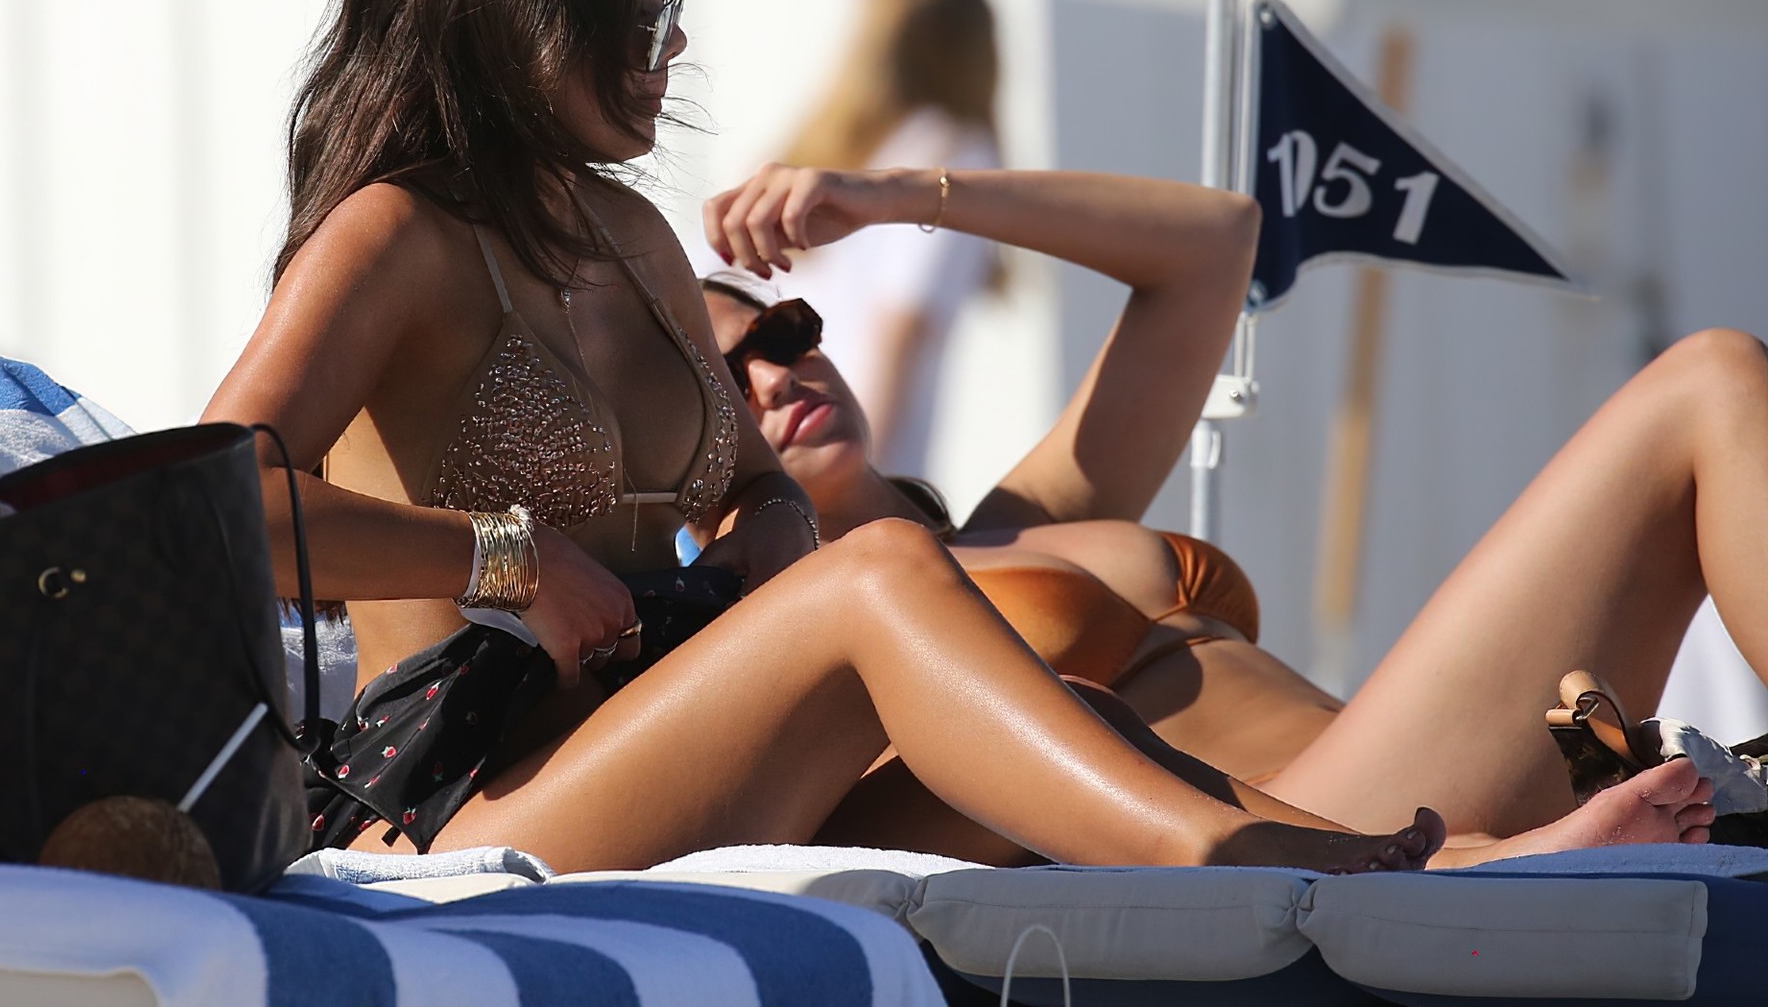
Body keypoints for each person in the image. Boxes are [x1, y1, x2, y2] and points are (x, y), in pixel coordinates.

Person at [199, 0, 1454, 876]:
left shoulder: (632, 237)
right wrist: (507, 556)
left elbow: (753, 484)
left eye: (668, 6)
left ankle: (1403, 864)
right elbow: (212, 505)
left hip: (661, 750)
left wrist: (776, 524)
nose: (672, 45)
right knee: (885, 573)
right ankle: (1247, 865)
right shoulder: (395, 236)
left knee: (1065, 721)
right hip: (464, 807)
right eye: (638, 13)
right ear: (524, 16)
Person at [701, 159, 1735, 864]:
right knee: (1706, 384)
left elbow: (1213, 246)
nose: (776, 378)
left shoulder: (1023, 521)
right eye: (726, 382)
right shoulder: (810, 659)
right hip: (1345, 836)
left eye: (784, 333)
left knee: (1717, 386)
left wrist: (889, 195)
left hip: (1418, 778)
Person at [770, 0, 1004, 477]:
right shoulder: (953, 158)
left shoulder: (821, 153)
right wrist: (869, 476)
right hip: (855, 448)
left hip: (773, 445)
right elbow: (903, 329)